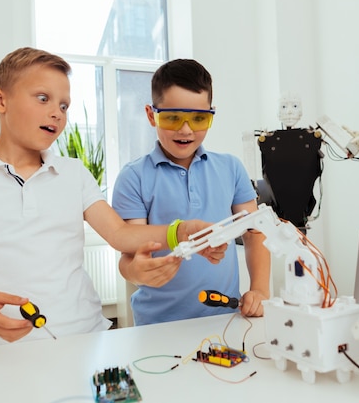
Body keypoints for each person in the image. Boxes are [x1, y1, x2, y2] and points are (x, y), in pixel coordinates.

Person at [0, 47, 224, 349]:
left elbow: (121, 234)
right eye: (43, 98)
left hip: (88, 338)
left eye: (64, 106)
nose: (56, 114)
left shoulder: (73, 173)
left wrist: (180, 231)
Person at [112, 59, 271, 326]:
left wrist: (260, 290)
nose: (186, 130)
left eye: (198, 119)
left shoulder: (231, 168)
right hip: (157, 326)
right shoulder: (133, 177)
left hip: (225, 318)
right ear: (151, 115)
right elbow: (129, 256)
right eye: (173, 118)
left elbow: (254, 233)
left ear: (211, 114)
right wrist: (138, 273)